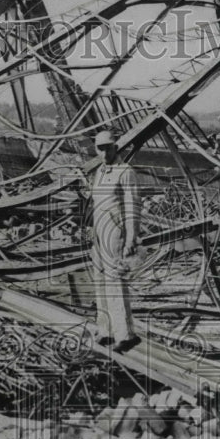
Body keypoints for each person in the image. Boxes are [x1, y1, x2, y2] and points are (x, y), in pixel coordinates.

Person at [89, 130, 141, 354]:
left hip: (116, 234)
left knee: (116, 283)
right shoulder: (99, 172)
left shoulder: (125, 172)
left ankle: (125, 335)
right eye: (99, 148)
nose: (103, 153)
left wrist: (131, 238)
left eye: (107, 148)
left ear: (115, 148)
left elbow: (132, 206)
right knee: (100, 281)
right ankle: (106, 329)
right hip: (99, 233)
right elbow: (96, 203)